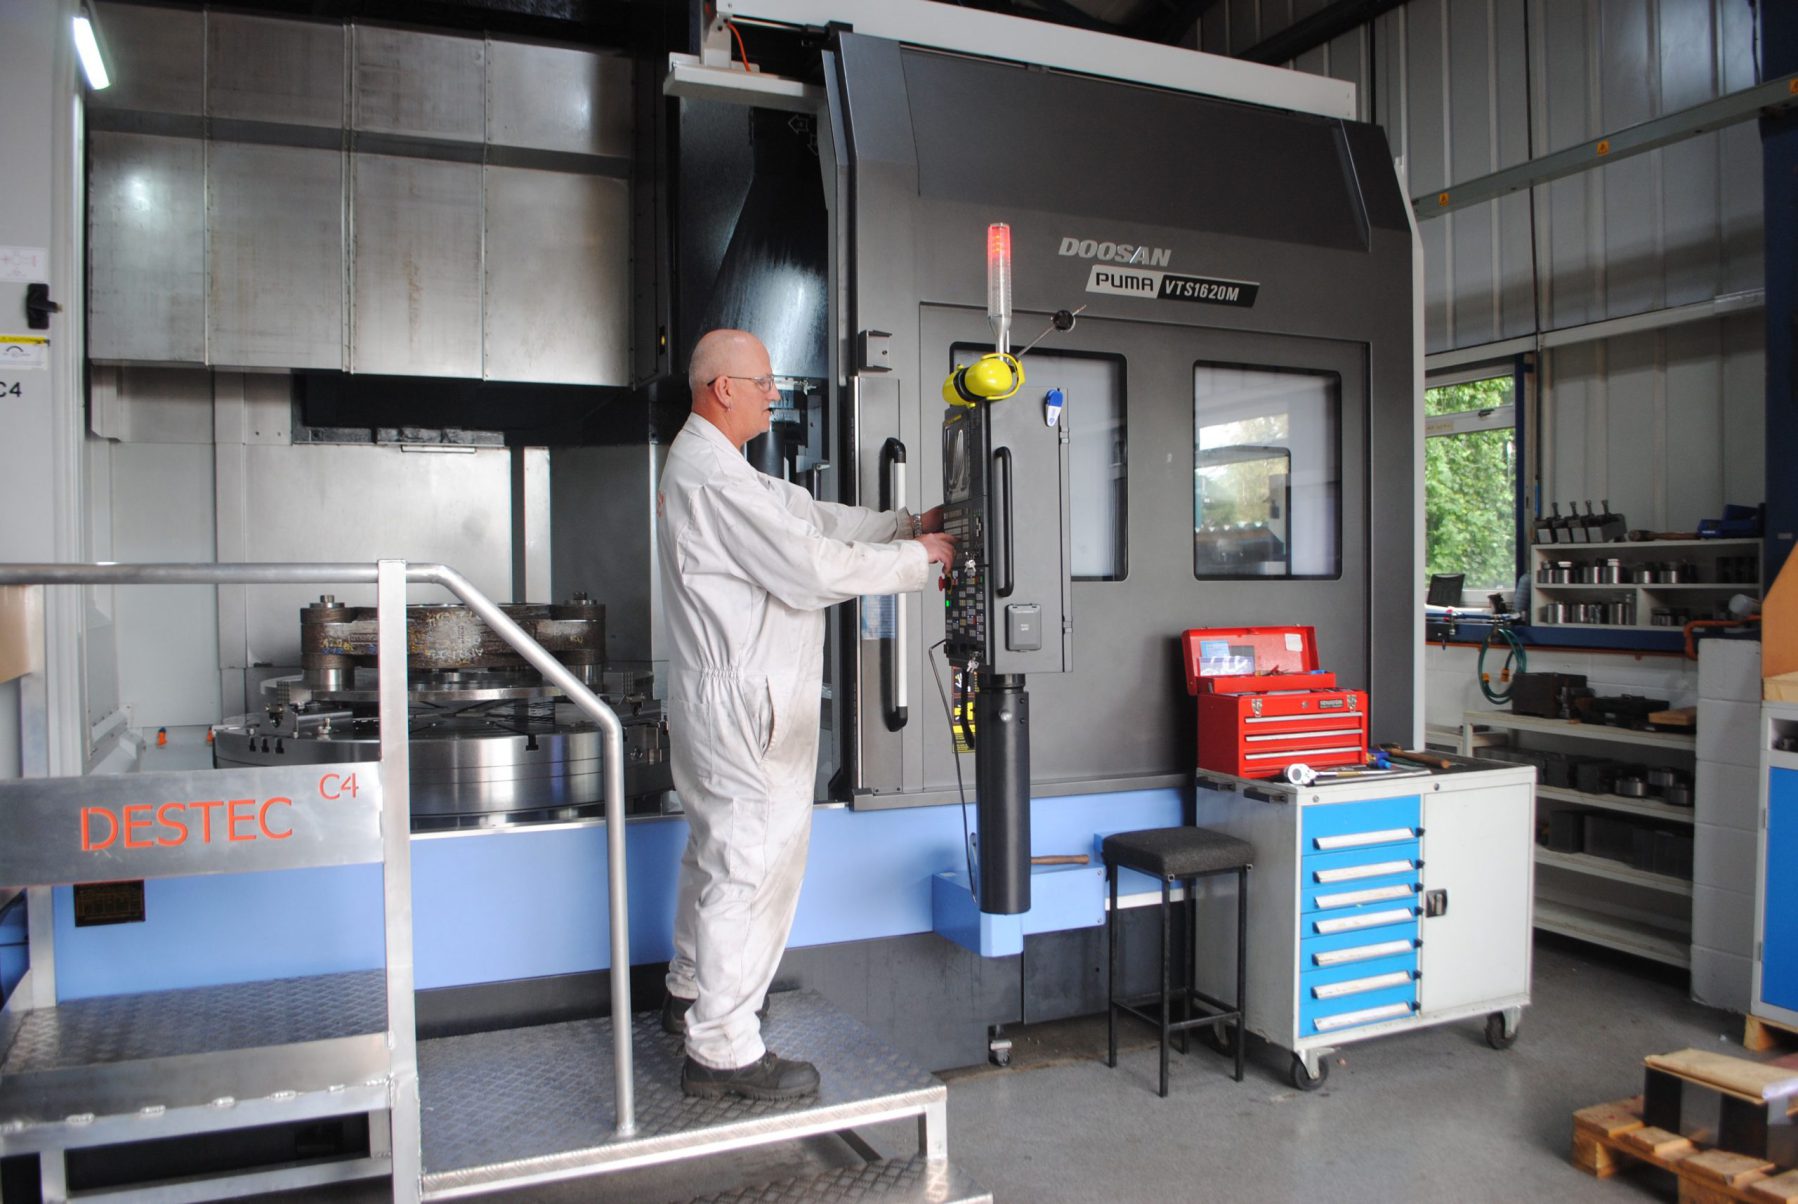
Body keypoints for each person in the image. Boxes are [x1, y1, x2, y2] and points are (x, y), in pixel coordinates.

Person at [657, 329, 956, 1101]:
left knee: (717, 852)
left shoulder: (720, 467)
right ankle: (722, 1050)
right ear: (723, 388)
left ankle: (691, 990)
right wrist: (921, 560)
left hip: (724, 697)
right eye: (762, 382)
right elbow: (809, 565)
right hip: (747, 702)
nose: (774, 395)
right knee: (752, 866)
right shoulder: (712, 478)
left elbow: (810, 517)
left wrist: (904, 526)